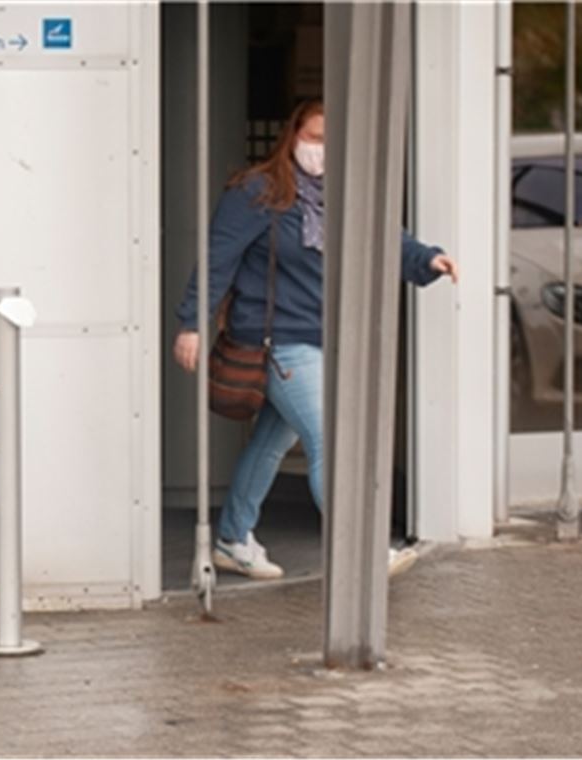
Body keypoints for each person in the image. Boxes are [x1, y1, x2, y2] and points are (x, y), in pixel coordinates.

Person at [173, 99, 458, 580]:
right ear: (293, 136)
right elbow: (217, 257)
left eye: (332, 141)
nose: (321, 150)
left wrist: (428, 260)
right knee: (330, 441)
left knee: (269, 444)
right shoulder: (256, 193)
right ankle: (363, 549)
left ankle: (233, 539)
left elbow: (387, 237)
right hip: (278, 340)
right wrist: (192, 323)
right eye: (315, 137)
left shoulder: (345, 194)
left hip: (322, 335)